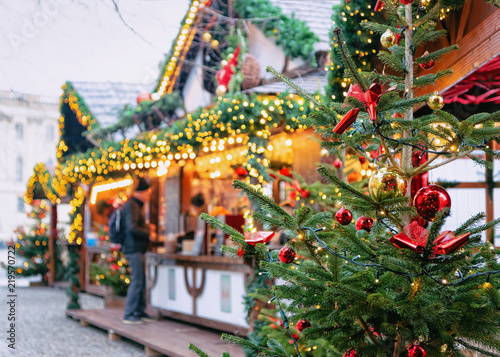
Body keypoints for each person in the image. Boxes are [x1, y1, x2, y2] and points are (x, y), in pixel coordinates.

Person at [121, 177, 156, 324]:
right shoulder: (132, 206)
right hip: (133, 248)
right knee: (137, 280)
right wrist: (149, 233)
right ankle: (129, 313)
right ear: (141, 193)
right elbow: (131, 228)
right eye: (147, 192)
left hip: (136, 248)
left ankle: (139, 311)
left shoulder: (134, 206)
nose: (148, 195)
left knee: (140, 280)